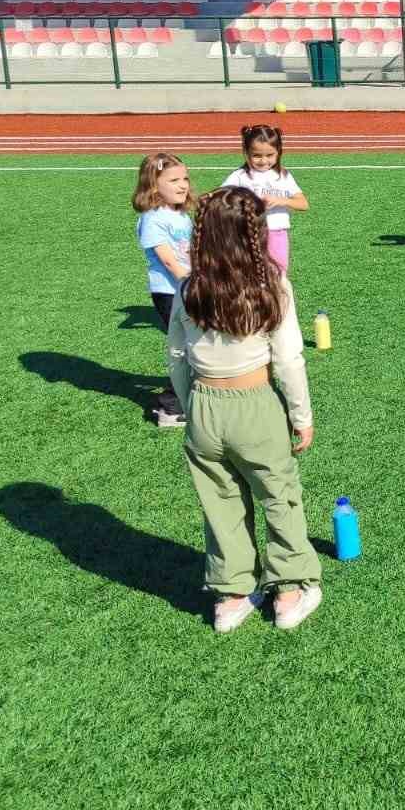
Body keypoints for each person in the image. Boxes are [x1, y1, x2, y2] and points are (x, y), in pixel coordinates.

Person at [167, 187, 321, 633]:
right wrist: (301, 415)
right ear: (254, 233)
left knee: (220, 503)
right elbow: (289, 359)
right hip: (255, 404)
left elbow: (176, 354)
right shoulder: (271, 284)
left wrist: (191, 403)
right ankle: (288, 593)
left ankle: (231, 597)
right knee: (279, 495)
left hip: (204, 407)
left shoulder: (188, 286)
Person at [133, 152, 196, 428]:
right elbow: (170, 261)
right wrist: (196, 281)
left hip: (186, 288)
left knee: (193, 344)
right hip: (170, 292)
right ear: (154, 185)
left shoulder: (179, 214)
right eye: (174, 180)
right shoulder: (153, 218)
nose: (183, 185)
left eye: (185, 178)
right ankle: (170, 407)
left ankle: (186, 392)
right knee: (184, 347)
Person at [220, 124, 308, 272]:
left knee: (278, 274)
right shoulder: (239, 176)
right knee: (248, 274)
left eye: (269, 155)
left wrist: (281, 200)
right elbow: (221, 198)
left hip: (277, 233)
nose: (263, 161)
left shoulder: (283, 176)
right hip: (246, 234)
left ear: (278, 153)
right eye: (257, 155)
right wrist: (244, 204)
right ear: (246, 153)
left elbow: (303, 204)